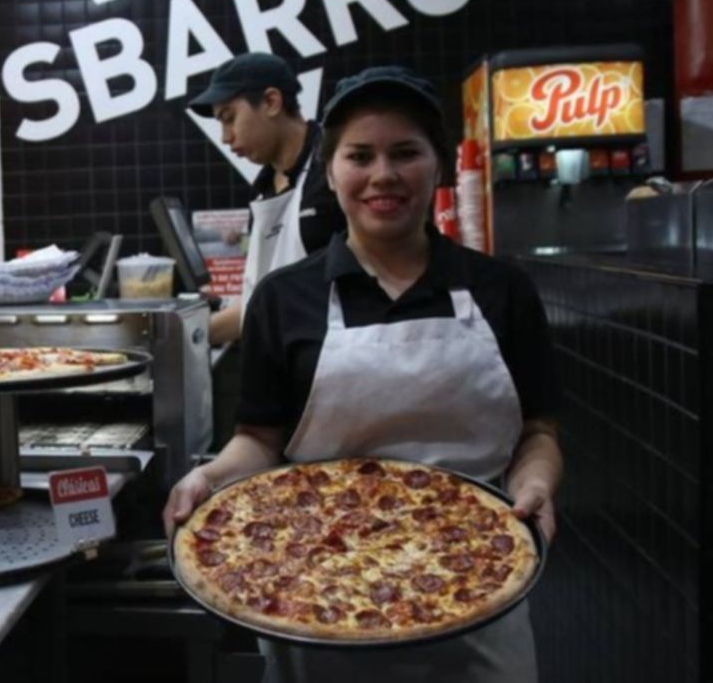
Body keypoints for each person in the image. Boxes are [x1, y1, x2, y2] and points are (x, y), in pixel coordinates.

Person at [163, 67, 563, 683]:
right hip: (312, 582)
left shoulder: (501, 290)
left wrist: (536, 484)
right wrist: (209, 478)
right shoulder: (282, 298)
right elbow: (260, 441)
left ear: (439, 165)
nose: (383, 175)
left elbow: (539, 430)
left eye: (406, 153)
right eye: (360, 156)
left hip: (475, 575)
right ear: (330, 172)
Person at [188, 52, 347, 449]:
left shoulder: (336, 165)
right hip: (276, 386)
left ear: (272, 102)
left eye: (229, 117)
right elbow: (263, 302)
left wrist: (189, 336)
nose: (225, 138)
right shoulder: (264, 186)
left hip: (333, 383)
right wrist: (182, 334)